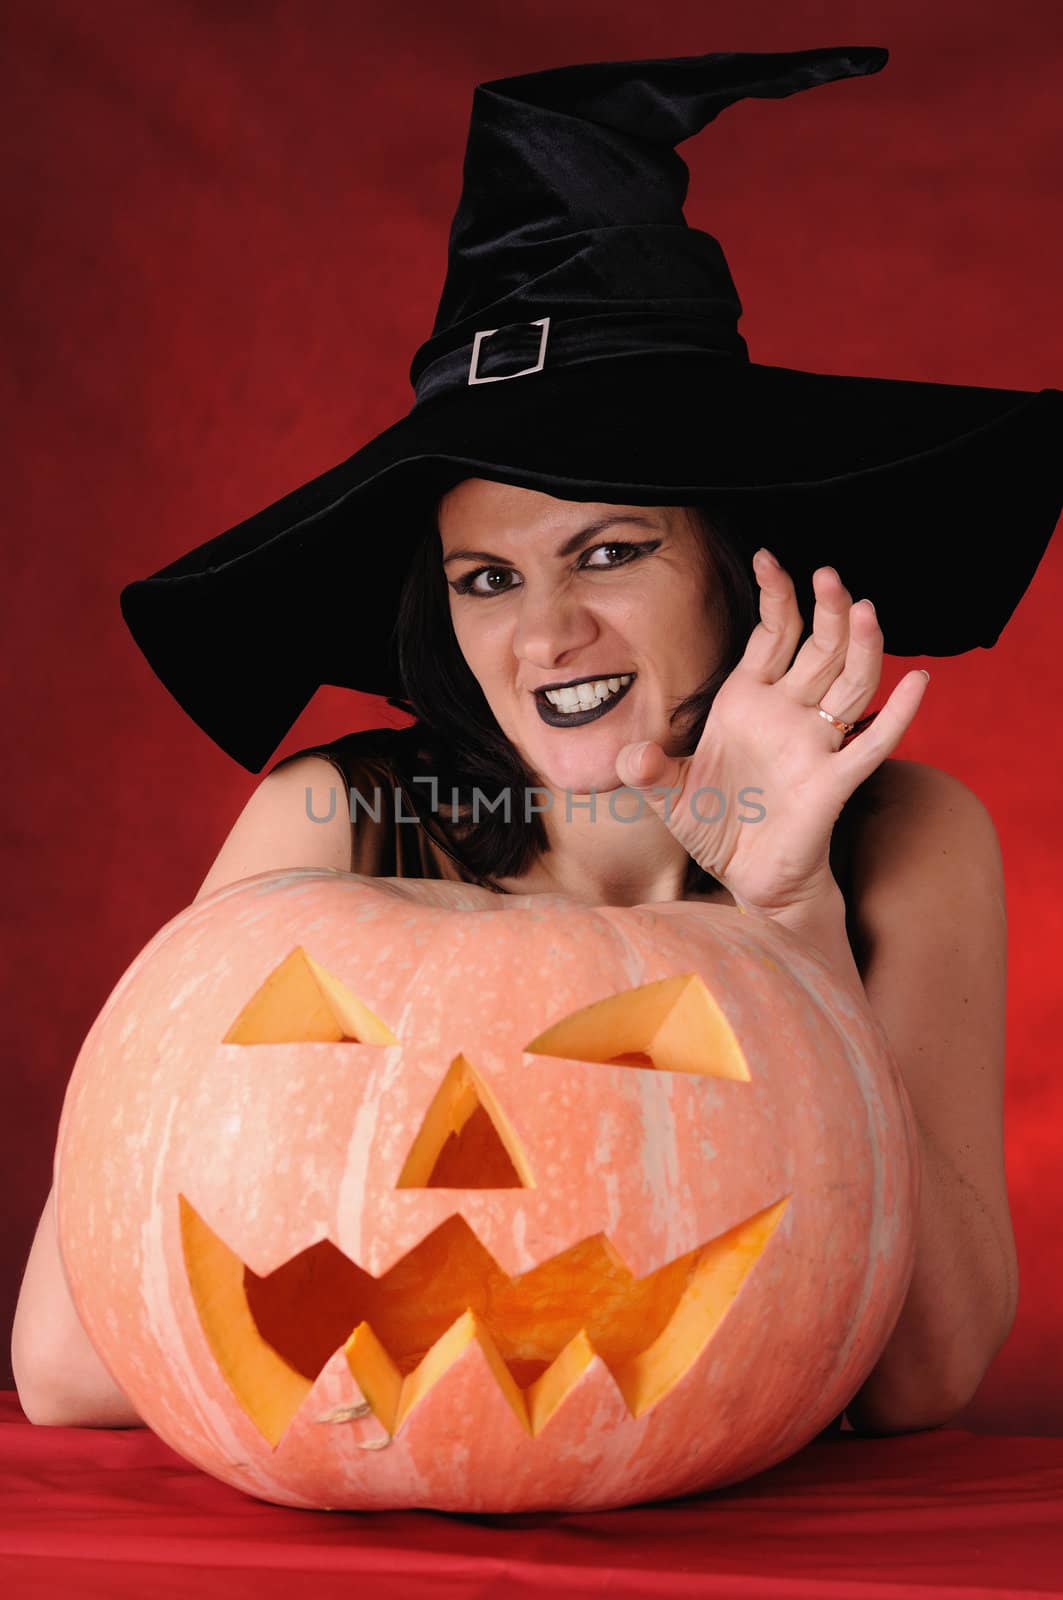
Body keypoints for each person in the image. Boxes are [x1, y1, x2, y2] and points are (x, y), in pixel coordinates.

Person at [12, 45, 1060, 1441]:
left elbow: (923, 1380)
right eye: (486, 578)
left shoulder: (909, 841)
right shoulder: (335, 825)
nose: (544, 634)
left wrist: (786, 915)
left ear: (737, 568)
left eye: (608, 550)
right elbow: (74, 1363)